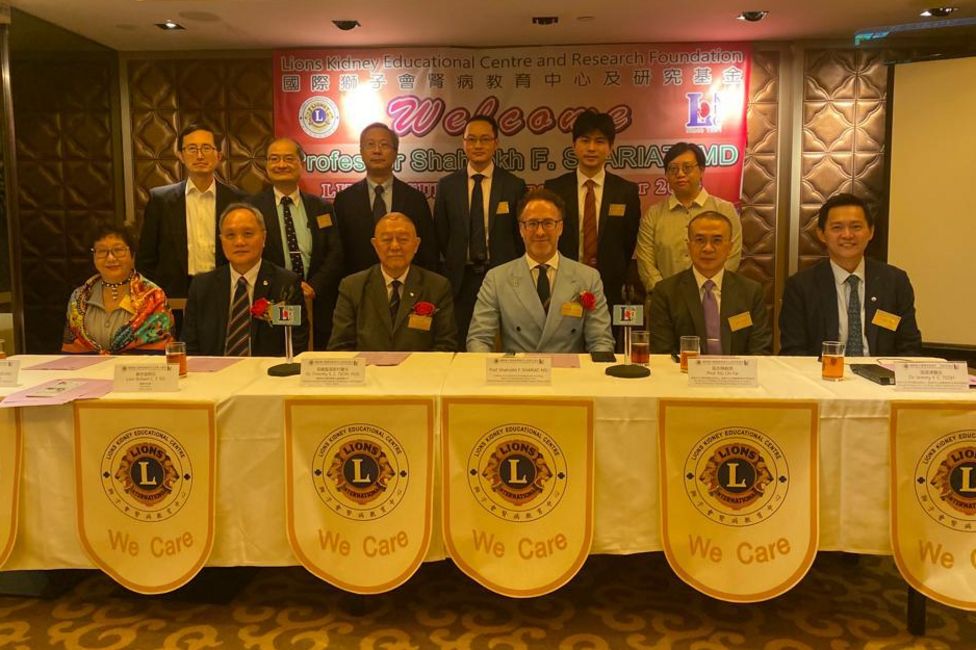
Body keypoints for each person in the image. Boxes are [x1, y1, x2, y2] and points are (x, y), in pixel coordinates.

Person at [467, 189, 615, 353]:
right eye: (532, 224)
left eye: (548, 223)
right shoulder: (497, 278)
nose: (540, 232)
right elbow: (479, 338)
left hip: (568, 368)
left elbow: (601, 340)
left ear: (560, 227)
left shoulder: (588, 277)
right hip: (517, 368)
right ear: (521, 229)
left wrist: (596, 366)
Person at [779, 193, 922, 356]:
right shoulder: (800, 286)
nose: (847, 235)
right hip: (823, 370)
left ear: (871, 232)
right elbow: (794, 351)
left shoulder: (895, 281)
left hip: (881, 371)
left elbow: (909, 346)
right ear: (821, 234)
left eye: (856, 227)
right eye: (837, 228)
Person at [434, 115, 527, 349]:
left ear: (496, 143)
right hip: (460, 280)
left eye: (485, 139)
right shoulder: (447, 186)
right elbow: (442, 235)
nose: (478, 145)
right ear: (463, 143)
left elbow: (520, 237)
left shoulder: (514, 185)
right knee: (461, 341)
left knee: (504, 342)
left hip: (502, 277)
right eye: (471, 139)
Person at [249, 137, 343, 348]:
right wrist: (285, 286)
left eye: (289, 158)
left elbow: (335, 253)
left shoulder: (321, 207)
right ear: (267, 165)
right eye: (274, 159)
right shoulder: (252, 208)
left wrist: (313, 287)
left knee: (316, 356)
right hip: (271, 301)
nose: (281, 164)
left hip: (317, 302)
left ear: (302, 164)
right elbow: (251, 255)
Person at [543, 110, 641, 309]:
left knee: (605, 330)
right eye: (585, 140)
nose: (591, 148)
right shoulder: (554, 188)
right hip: (563, 280)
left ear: (610, 147)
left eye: (599, 141)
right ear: (574, 145)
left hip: (609, 284)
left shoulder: (625, 191)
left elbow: (628, 240)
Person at [137, 123, 246, 300]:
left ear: (218, 155)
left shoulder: (238, 199)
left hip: (226, 289)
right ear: (180, 155)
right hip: (174, 293)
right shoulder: (161, 200)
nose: (200, 155)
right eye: (192, 149)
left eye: (206, 148)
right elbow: (146, 258)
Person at [183, 203, 308, 356]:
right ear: (221, 240)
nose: (239, 242)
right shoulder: (202, 286)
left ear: (264, 237)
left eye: (248, 234)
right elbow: (190, 346)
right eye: (230, 235)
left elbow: (295, 343)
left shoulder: (286, 284)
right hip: (212, 370)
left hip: (267, 370)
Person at [329, 213, 457, 352]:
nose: (395, 246)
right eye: (386, 239)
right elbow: (340, 347)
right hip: (368, 366)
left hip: (420, 366)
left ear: (416, 244)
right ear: (375, 245)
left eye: (403, 239)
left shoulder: (437, 286)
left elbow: (446, 345)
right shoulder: (352, 286)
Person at [648, 211, 770, 355]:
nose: (708, 248)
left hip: (736, 370)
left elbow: (760, 350)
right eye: (700, 240)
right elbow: (663, 353)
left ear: (729, 247)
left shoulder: (750, 291)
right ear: (689, 246)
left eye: (717, 241)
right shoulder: (666, 292)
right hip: (683, 369)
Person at [636, 142, 742, 294]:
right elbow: (645, 261)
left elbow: (732, 256)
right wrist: (665, 294)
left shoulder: (725, 210)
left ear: (701, 170)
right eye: (673, 169)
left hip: (713, 298)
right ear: (666, 174)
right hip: (665, 301)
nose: (680, 174)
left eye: (687, 168)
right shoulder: (654, 214)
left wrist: (707, 291)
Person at [333, 123, 438, 276]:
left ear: (396, 152)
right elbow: (338, 253)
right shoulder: (344, 200)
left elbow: (428, 251)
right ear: (361, 152)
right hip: (358, 285)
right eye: (370, 144)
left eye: (384, 145)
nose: (377, 151)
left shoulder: (415, 199)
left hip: (406, 283)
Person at [62, 225, 174, 354]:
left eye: (118, 250)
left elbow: (159, 349)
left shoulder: (153, 296)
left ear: (132, 255)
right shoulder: (79, 296)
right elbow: (72, 350)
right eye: (102, 251)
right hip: (87, 367)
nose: (110, 258)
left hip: (139, 366)